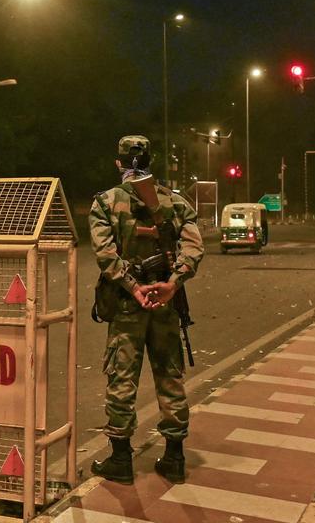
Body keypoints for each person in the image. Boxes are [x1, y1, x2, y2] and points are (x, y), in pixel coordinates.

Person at [89, 135, 204, 485]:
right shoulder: (176, 202)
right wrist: (172, 284)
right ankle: (174, 457)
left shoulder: (106, 203)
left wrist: (134, 287)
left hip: (128, 305)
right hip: (165, 304)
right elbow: (194, 248)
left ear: (118, 162)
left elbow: (106, 256)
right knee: (170, 375)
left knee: (122, 377)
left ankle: (121, 459)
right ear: (153, 161)